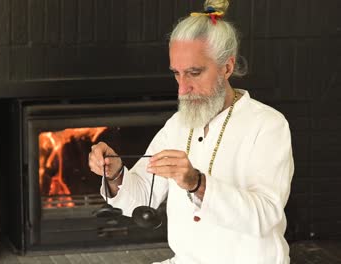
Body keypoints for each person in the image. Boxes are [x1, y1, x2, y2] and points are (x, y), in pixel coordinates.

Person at [88, 0, 294, 263]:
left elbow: (265, 216)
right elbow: (141, 198)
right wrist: (115, 173)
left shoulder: (268, 125)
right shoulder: (178, 123)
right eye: (177, 74)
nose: (182, 88)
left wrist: (197, 183)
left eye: (194, 73)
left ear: (227, 67)